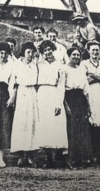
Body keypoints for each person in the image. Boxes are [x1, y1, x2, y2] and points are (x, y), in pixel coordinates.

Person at [35, 40, 68, 168]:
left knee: (57, 125)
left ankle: (58, 158)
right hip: (42, 95)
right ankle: (48, 159)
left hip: (54, 93)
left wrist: (58, 103)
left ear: (53, 50)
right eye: (45, 51)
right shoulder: (39, 64)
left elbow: (61, 85)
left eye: (49, 49)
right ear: (42, 53)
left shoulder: (60, 65)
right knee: (45, 125)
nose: (47, 52)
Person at [9, 41, 39, 167]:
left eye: (32, 52)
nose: (30, 55)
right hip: (21, 93)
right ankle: (21, 156)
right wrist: (12, 98)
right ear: (24, 52)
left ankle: (30, 156)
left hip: (32, 93)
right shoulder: (17, 65)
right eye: (28, 52)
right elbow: (13, 82)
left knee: (32, 123)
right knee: (21, 123)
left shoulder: (35, 65)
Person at [64, 45, 93, 168]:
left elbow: (86, 89)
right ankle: (71, 159)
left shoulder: (81, 69)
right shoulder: (64, 69)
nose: (76, 57)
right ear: (69, 56)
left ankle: (82, 158)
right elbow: (62, 89)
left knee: (82, 129)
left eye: (78, 55)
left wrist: (88, 106)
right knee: (72, 129)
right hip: (70, 98)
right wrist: (66, 106)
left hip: (81, 99)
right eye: (73, 55)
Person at [81, 40, 100, 164]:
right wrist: (99, 77)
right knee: (90, 125)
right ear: (88, 51)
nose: (95, 52)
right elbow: (84, 80)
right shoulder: (84, 63)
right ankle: (90, 155)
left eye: (97, 50)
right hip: (90, 96)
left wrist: (92, 74)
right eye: (93, 50)